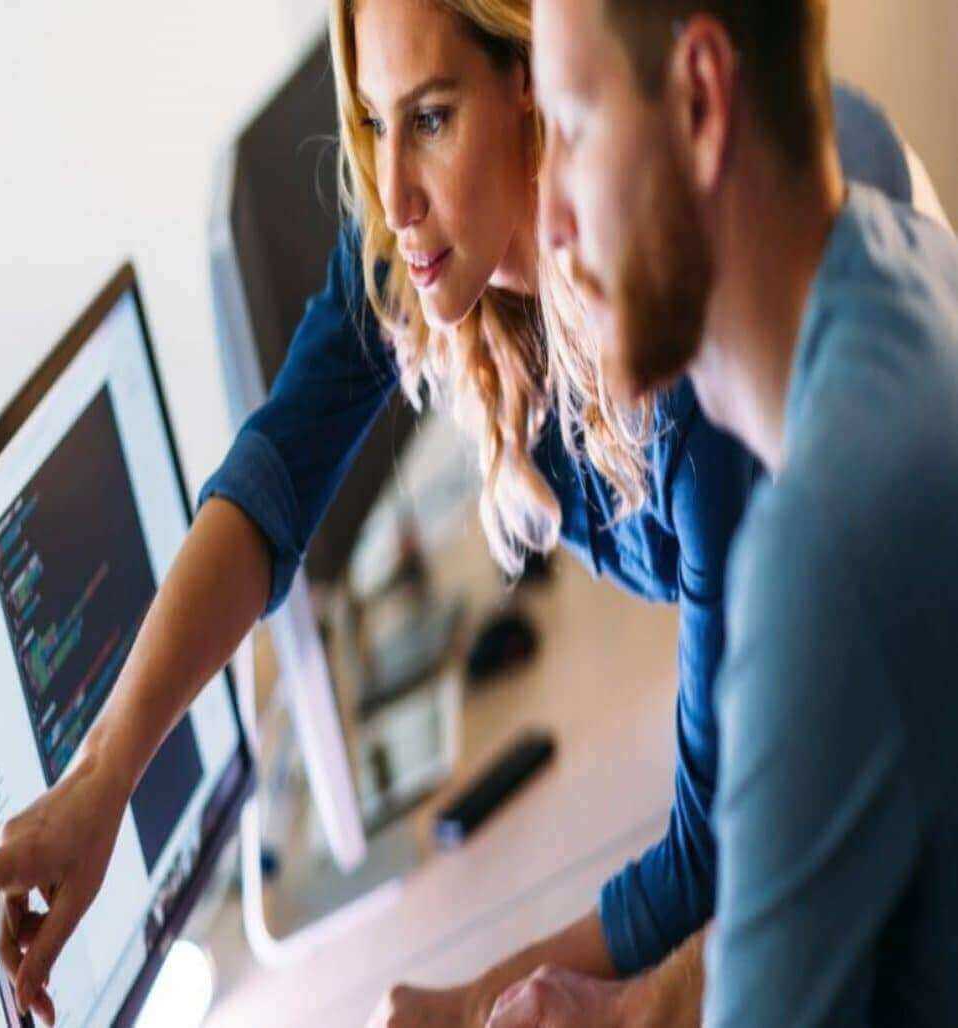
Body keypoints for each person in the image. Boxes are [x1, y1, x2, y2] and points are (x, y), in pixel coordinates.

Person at [0, 2, 926, 1025]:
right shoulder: (452, 246)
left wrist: (474, 1003)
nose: (391, 197)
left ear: (530, 83)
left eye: (433, 117)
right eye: (370, 124)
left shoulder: (694, 351)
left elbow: (724, 860)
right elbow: (276, 471)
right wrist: (104, 770)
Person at [483, 0, 958, 1025]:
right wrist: (626, 1011)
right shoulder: (892, 259)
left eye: (569, 126)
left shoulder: (821, 542)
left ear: (698, 99)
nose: (550, 216)